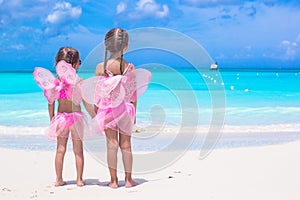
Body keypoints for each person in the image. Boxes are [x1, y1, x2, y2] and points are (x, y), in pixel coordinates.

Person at [81, 28, 151, 188]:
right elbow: (133, 93)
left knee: (111, 145)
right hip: (126, 109)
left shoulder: (101, 67)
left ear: (106, 46)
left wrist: (97, 112)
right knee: (126, 145)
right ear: (125, 46)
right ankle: (128, 180)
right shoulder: (130, 67)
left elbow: (97, 92)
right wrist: (135, 113)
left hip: (108, 110)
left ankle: (113, 181)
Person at [33, 47, 95, 187]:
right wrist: (94, 117)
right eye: (79, 61)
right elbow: (86, 103)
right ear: (73, 64)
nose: (80, 63)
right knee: (78, 150)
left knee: (60, 150)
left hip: (61, 118)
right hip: (77, 118)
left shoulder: (55, 83)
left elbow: (50, 103)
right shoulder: (80, 81)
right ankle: (79, 180)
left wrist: (52, 119)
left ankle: (59, 179)